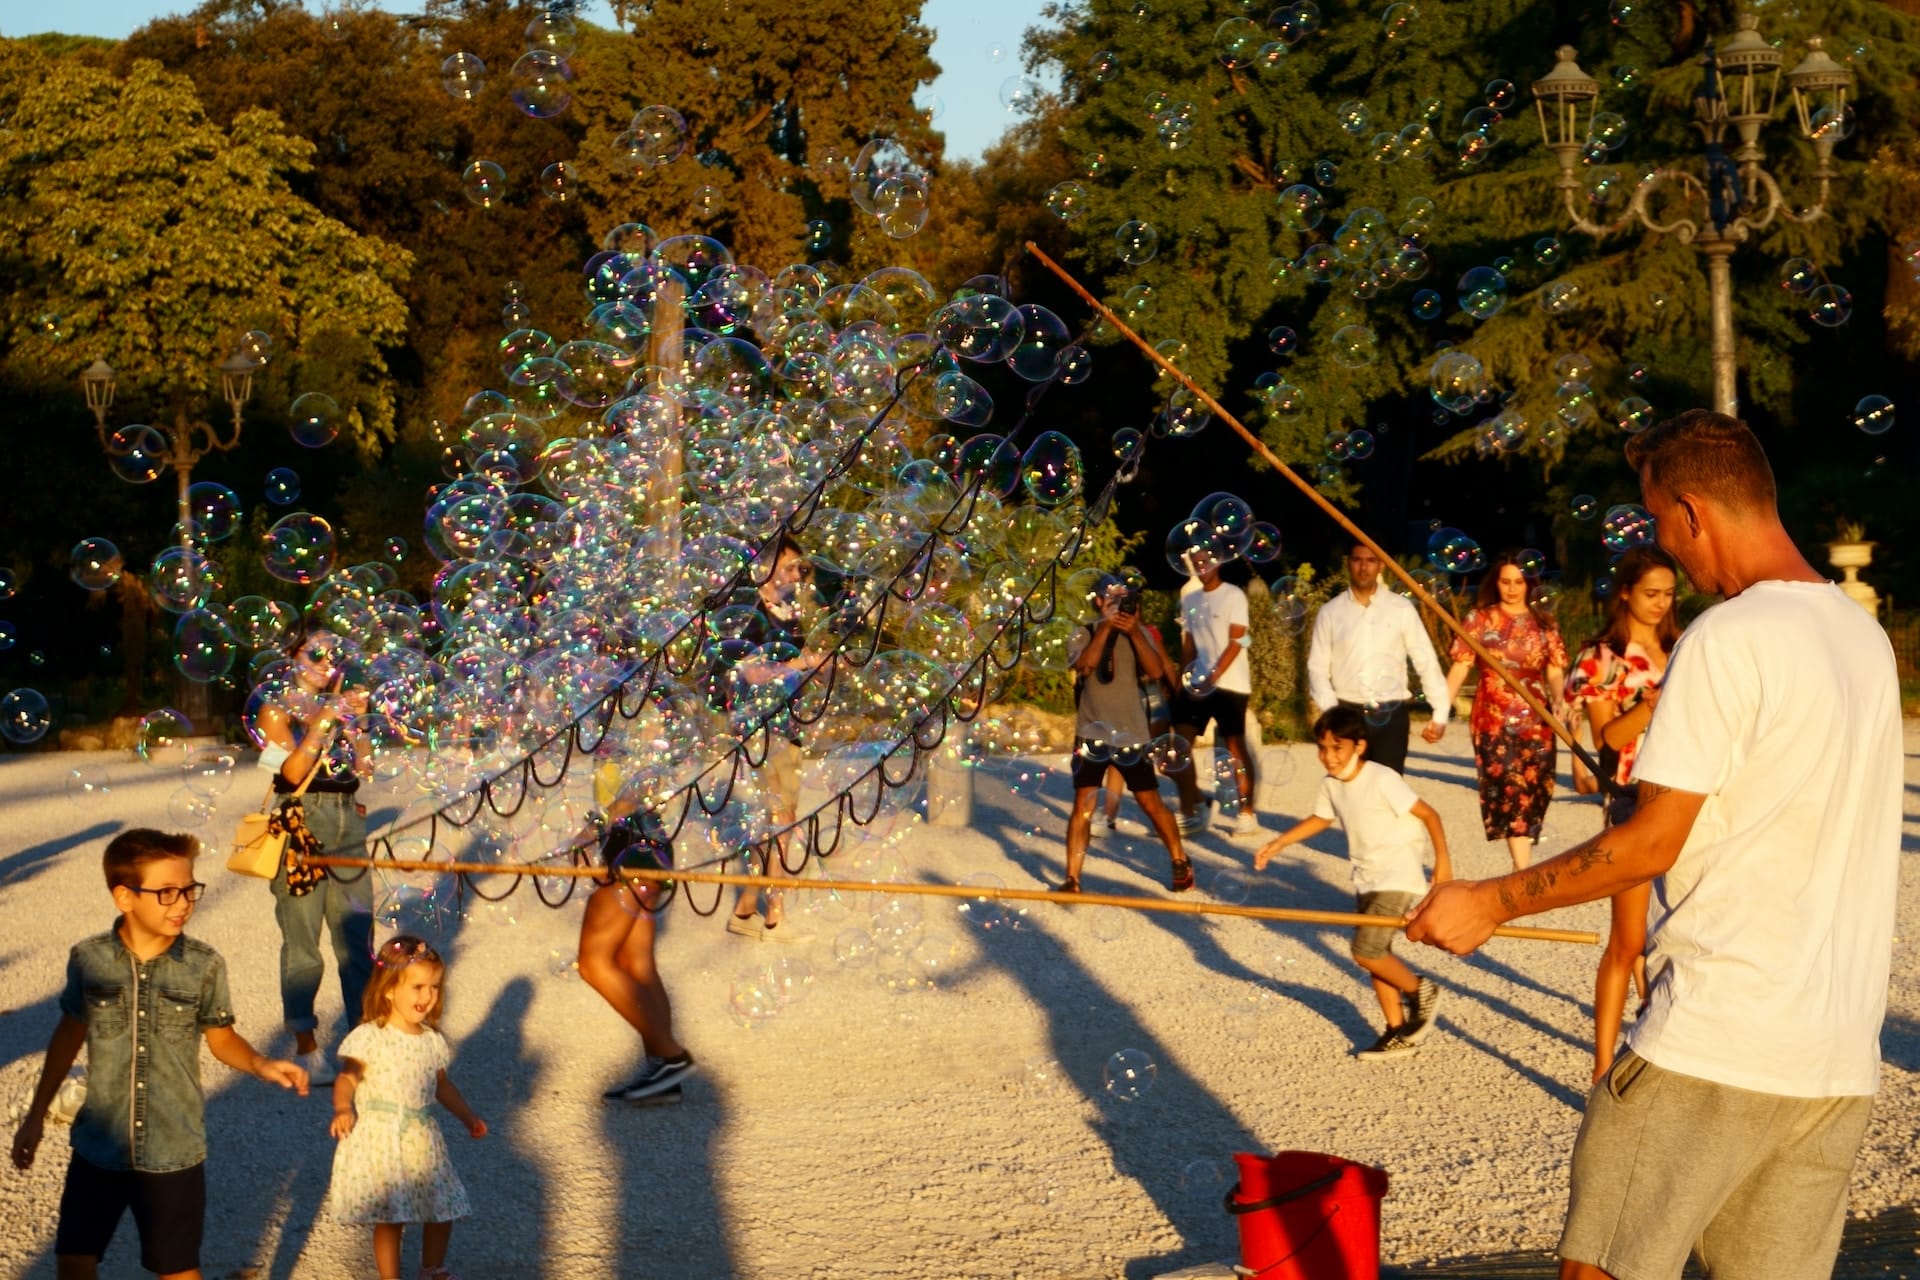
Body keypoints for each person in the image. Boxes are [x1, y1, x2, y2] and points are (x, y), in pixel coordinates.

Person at [1407, 409, 1902, 1280]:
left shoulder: (1728, 635)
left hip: (1713, 1042)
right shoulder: (1865, 639)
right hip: (1834, 1062)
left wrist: (1487, 901)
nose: (1671, 555)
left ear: (1693, 510)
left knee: (1599, 1270)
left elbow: (1649, 845)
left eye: (1664, 526)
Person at [10, 830, 309, 1280]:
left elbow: (222, 1037)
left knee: (178, 1270)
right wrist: (36, 1115)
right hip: (98, 1147)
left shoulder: (204, 965)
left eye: (189, 889)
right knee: (73, 1261)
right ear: (124, 897)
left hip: (174, 1150)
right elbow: (69, 1034)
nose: (184, 903)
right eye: (167, 892)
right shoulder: (89, 960)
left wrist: (260, 1063)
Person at [1252, 706, 1452, 1060]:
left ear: (1359, 746)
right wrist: (1278, 843)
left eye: (1336, 747)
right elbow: (1319, 819)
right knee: (1377, 955)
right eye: (1322, 748)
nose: (1327, 757)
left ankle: (1423, 990)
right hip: (1366, 879)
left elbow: (1429, 814)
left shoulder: (1381, 777)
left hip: (1398, 876)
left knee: (1366, 951)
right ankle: (1396, 1031)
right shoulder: (1331, 786)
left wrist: (1443, 863)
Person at [1563, 544, 1682, 1083]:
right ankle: (1601, 1067)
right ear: (1627, 592)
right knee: (1628, 940)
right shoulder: (1601, 658)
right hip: (1634, 798)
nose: (1660, 604)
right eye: (1651, 593)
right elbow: (1607, 738)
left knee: (1684, 935)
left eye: (1669, 595)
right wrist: (1648, 706)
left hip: (1690, 795)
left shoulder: (1687, 647)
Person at [254, 625, 376, 1084]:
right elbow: (287, 774)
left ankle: (364, 1043)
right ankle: (306, 1045)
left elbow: (362, 769)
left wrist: (357, 723)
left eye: (334, 655)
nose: (328, 663)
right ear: (293, 657)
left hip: (347, 820)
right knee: (303, 943)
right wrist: (325, 719)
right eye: (316, 654)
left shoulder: (343, 707)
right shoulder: (274, 711)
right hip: (300, 823)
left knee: (357, 942)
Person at [328, 935, 485, 1280]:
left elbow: (442, 1086)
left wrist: (467, 1116)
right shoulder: (370, 1036)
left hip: (422, 1136)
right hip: (384, 1138)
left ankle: (432, 1269)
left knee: (442, 1207)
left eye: (434, 987)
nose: (427, 996)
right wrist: (343, 1107)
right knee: (390, 1216)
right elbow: (348, 1078)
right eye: (417, 987)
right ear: (388, 989)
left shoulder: (431, 1041)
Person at [1060, 575, 1190, 894]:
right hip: (1091, 732)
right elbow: (1085, 666)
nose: (1117, 604)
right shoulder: (1084, 633)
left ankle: (1179, 860)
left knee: (1151, 803)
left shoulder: (1139, 633)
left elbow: (1156, 671)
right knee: (1083, 805)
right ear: (1098, 601)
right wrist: (1105, 627)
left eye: (1122, 598)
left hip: (1131, 733)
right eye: (1110, 598)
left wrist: (1132, 632)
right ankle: (1072, 878)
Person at [716, 536, 818, 943]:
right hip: (762, 727)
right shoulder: (752, 614)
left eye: (801, 569)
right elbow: (752, 673)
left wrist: (819, 665)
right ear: (769, 566)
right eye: (791, 567)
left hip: (785, 724)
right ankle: (772, 913)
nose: (798, 575)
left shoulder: (788, 615)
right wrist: (802, 662)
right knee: (780, 818)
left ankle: (747, 908)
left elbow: (791, 667)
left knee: (775, 818)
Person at [1440, 552, 1568, 870]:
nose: (1511, 588)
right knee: (1510, 790)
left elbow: (1553, 669)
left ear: (1529, 584)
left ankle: (1521, 856)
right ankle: (1521, 868)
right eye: (1505, 581)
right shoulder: (1480, 619)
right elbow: (1461, 667)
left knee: (1539, 787)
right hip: (1492, 718)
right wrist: (1439, 713)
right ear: (1495, 583)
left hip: (1538, 717)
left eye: (1518, 582)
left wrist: (1560, 701)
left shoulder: (1544, 622)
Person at [576, 789, 696, 1105]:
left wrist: (588, 831)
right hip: (650, 846)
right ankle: (663, 1074)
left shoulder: (622, 744)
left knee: (592, 964)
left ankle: (671, 1057)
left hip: (629, 849)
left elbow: (634, 786)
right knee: (637, 964)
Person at [1305, 540, 1453, 773]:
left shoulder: (1401, 608)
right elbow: (1317, 668)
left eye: (1371, 560)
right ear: (1348, 563)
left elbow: (1424, 659)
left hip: (1391, 716)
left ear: (1381, 565)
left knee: (1388, 791)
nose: (1363, 567)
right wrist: (1333, 712)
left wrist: (1440, 711)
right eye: (1357, 560)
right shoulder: (1330, 612)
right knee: (1348, 794)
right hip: (1346, 711)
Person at [1169, 548, 1259, 838]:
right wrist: (1182, 679)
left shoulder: (1234, 595)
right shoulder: (1191, 599)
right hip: (1197, 681)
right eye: (1196, 564)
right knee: (1179, 746)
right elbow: (1190, 642)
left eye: (1205, 562)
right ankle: (1197, 804)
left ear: (1218, 562)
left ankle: (1247, 813)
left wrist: (1214, 675)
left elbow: (1238, 639)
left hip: (1230, 683)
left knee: (1234, 747)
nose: (1201, 567)